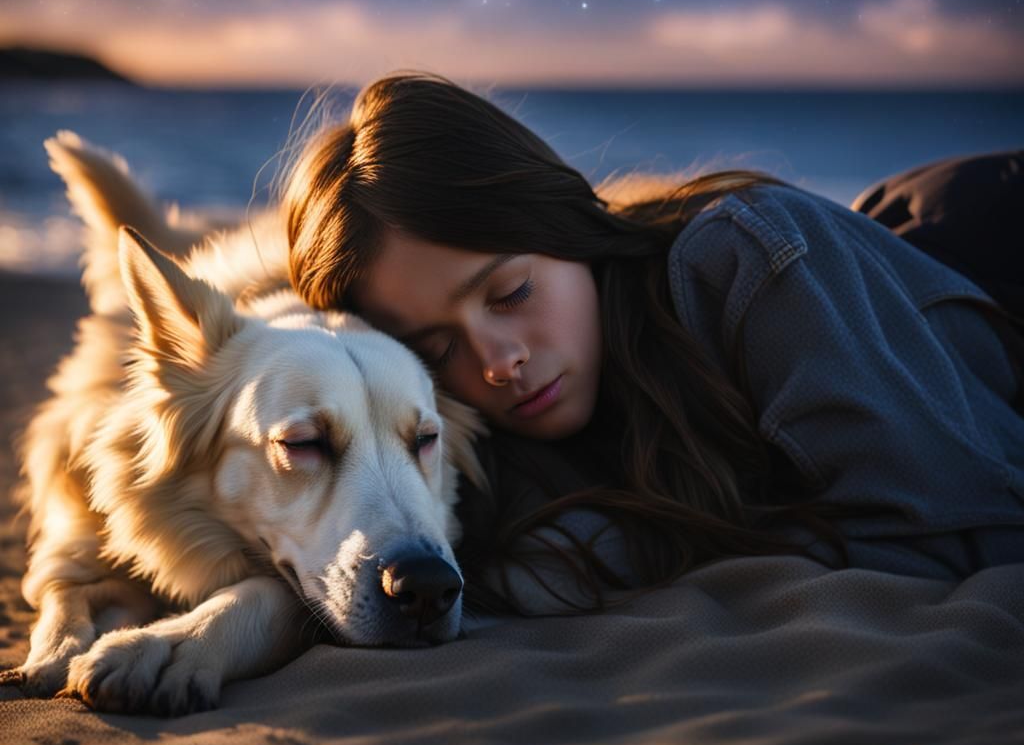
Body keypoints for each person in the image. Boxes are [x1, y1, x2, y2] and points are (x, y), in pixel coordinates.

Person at [281, 71, 1024, 615]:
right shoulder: (474, 443)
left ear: (564, 223)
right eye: (435, 351)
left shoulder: (750, 262)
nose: (497, 362)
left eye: (511, 293)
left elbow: (963, 536)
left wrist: (657, 543)